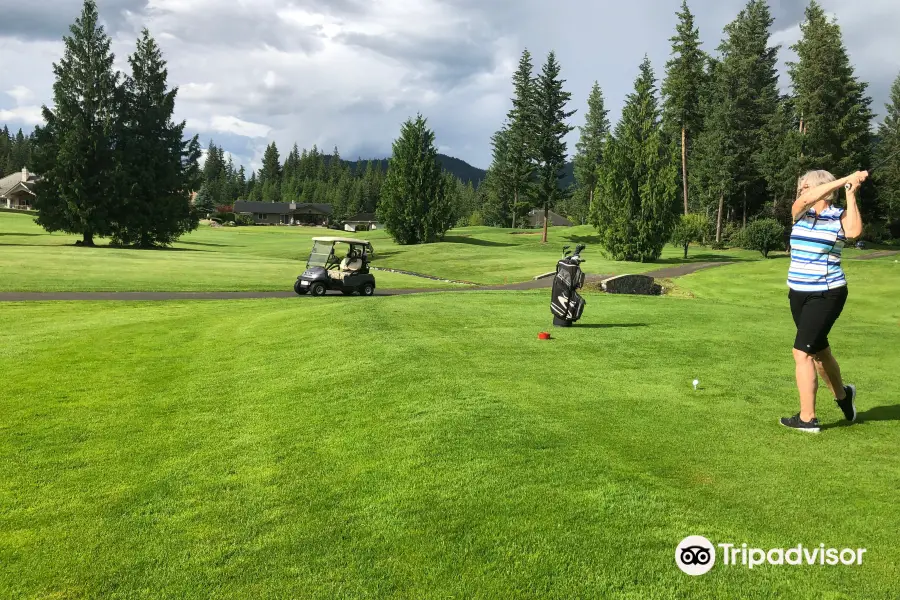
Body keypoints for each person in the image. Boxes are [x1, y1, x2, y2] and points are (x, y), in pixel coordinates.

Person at [780, 169, 868, 433]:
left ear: (822, 188)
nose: (801, 190)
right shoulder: (800, 212)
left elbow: (853, 232)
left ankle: (808, 419)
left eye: (805, 186)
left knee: (802, 352)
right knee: (819, 352)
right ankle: (843, 397)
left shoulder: (838, 216)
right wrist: (845, 179)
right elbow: (805, 201)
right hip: (797, 292)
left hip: (827, 293)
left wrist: (850, 193)